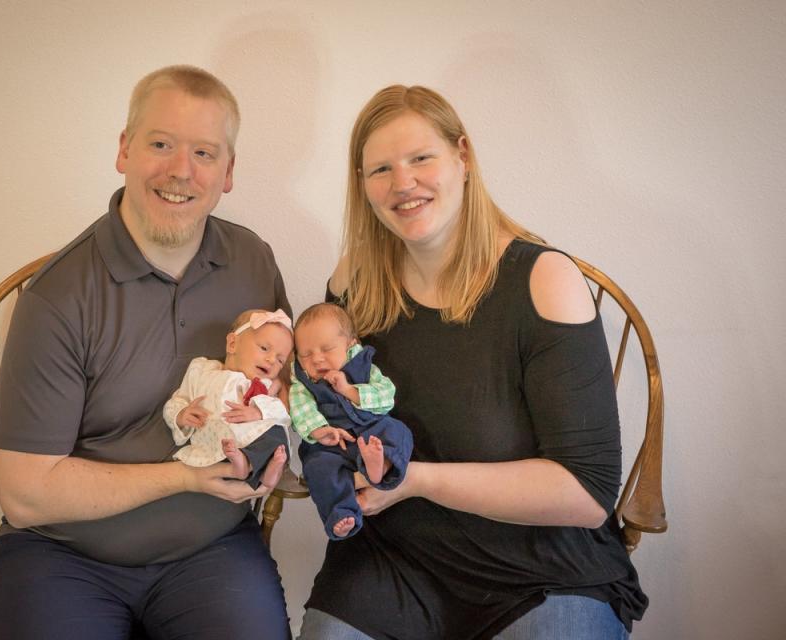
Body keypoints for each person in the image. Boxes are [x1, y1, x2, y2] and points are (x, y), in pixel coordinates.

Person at [297, 85, 648, 640]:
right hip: (395, 560)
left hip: (538, 568)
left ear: (463, 157)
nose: (403, 183)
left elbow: (586, 493)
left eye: (420, 158)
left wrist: (418, 480)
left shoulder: (542, 280)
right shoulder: (356, 282)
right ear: (362, 186)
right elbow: (321, 405)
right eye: (380, 169)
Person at [0, 65, 292, 640]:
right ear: (124, 150)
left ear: (228, 173)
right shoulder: (57, 296)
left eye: (204, 152)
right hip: (64, 556)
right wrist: (182, 478)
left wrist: (274, 440)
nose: (181, 170)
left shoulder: (252, 262)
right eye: (160, 144)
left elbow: (279, 383)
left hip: (212, 549)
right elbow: (24, 494)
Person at [289, 302, 412, 539]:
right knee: (318, 468)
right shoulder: (302, 382)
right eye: (306, 354)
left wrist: (348, 390)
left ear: (350, 345)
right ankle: (341, 513)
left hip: (371, 430)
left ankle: (380, 465)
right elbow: (300, 410)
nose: (317, 359)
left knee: (398, 431)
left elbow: (386, 396)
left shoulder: (364, 367)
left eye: (327, 349)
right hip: (332, 444)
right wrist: (320, 430)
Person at [164, 308, 293, 489]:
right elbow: (177, 400)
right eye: (264, 348)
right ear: (232, 344)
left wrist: (258, 412)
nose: (272, 360)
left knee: (277, 434)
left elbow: (280, 410)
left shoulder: (263, 385)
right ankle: (239, 464)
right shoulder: (201, 370)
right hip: (215, 437)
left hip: (250, 437)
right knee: (241, 445)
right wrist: (181, 414)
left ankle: (268, 471)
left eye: (280, 360)